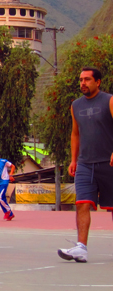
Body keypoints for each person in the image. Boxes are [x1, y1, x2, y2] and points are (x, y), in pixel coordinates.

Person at [58, 66, 113, 263]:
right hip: (85, 164)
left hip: (109, 163)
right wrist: (73, 159)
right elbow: (75, 133)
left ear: (97, 82)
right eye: (81, 79)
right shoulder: (76, 105)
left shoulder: (109, 100)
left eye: (87, 79)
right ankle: (81, 248)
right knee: (82, 204)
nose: (83, 83)